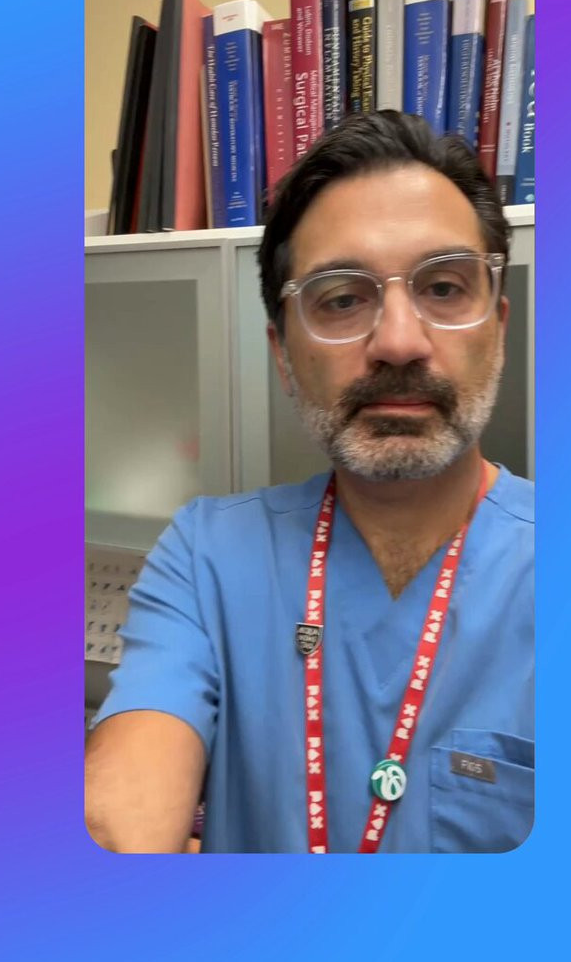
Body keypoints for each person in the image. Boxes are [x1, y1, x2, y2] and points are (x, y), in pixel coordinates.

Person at [85, 111, 534, 854]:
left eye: (444, 287)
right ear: (283, 354)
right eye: (341, 298)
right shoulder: (205, 558)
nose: (398, 342)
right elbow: (121, 814)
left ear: (499, 328)